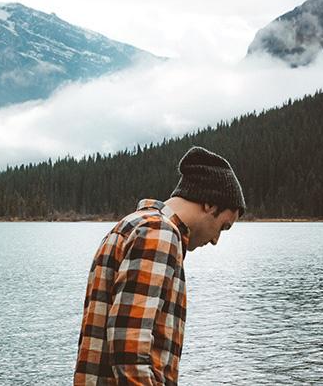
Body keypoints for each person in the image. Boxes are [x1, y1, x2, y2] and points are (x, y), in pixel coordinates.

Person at [74, 146, 246, 385]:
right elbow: (129, 349)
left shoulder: (131, 225)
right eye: (223, 226)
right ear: (209, 204)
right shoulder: (160, 233)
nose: (216, 240)